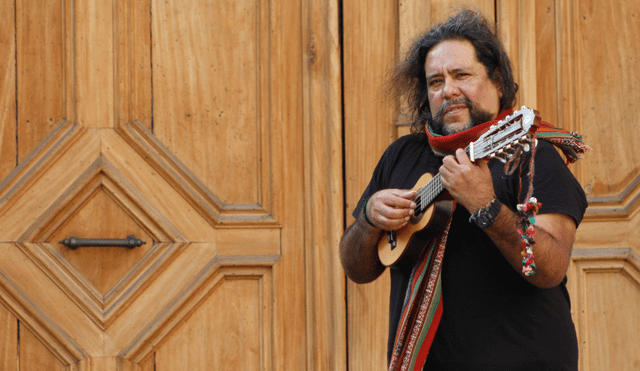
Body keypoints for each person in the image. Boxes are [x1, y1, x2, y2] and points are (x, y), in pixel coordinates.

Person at [339, 9, 589, 371]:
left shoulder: (532, 154)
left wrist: (486, 205)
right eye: (435, 81)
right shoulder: (401, 156)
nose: (449, 90)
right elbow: (357, 269)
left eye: (462, 75)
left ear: (498, 81)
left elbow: (548, 269)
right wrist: (368, 220)